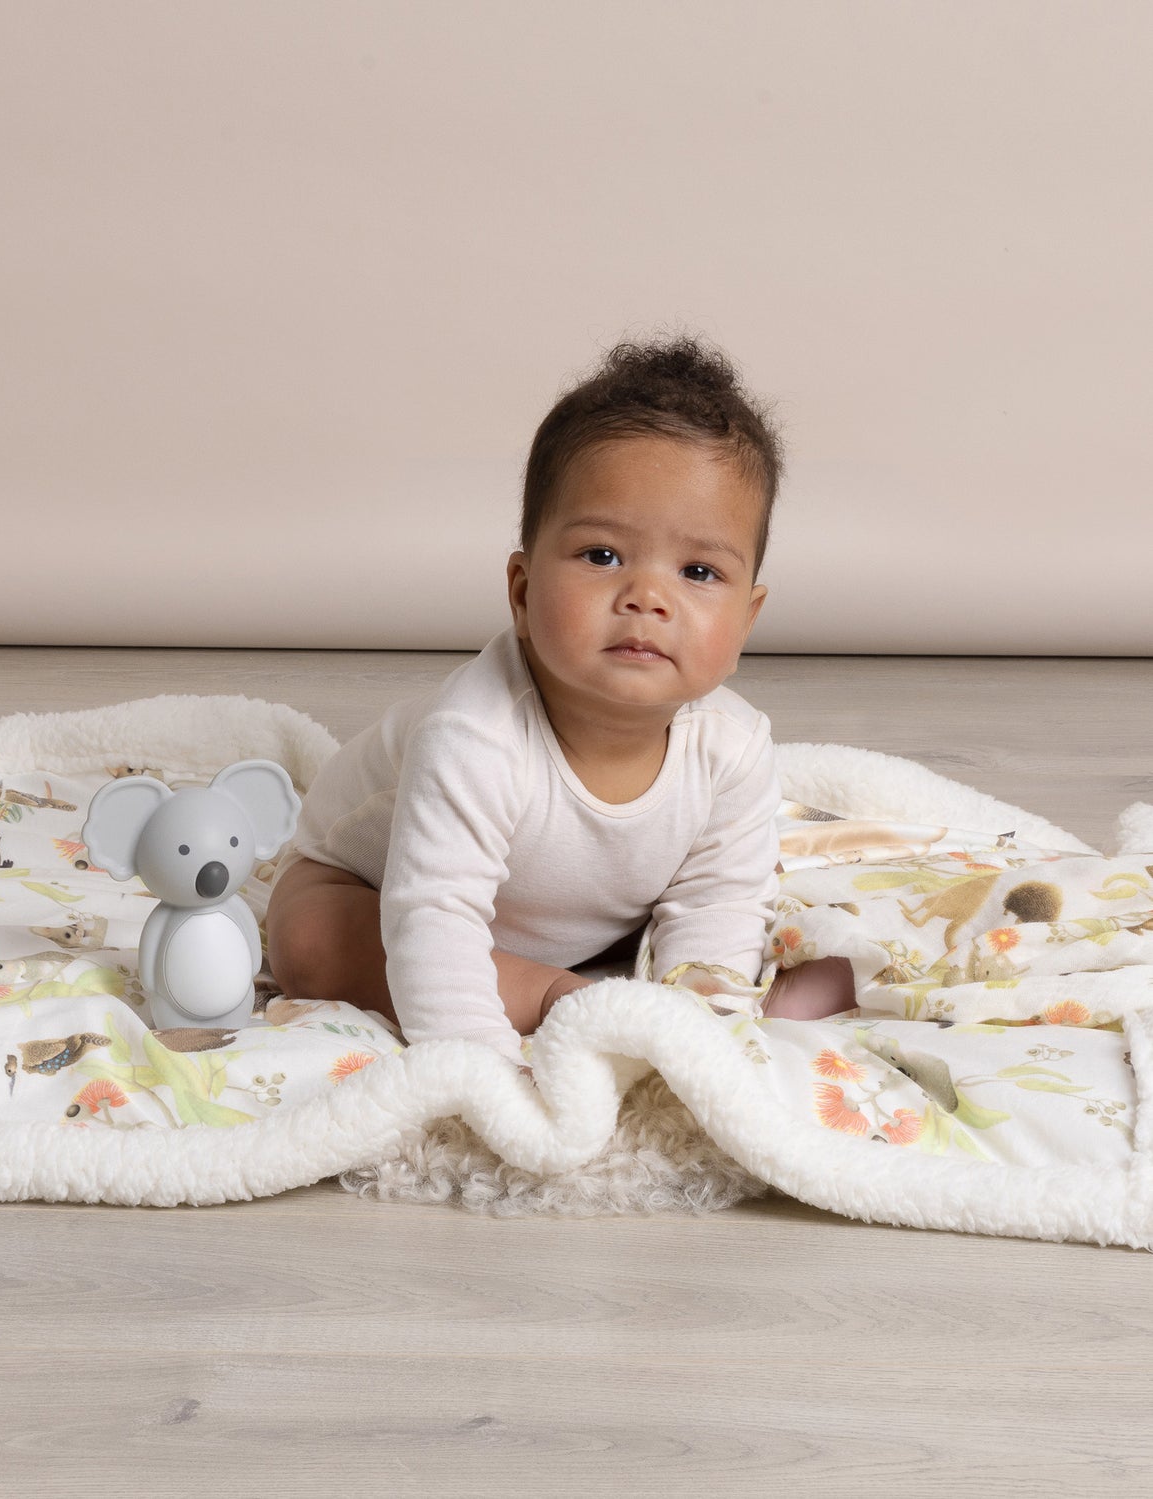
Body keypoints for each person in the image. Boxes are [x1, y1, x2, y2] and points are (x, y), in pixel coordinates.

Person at [265, 335, 855, 1069]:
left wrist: (704, 1034)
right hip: (376, 888)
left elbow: (718, 906)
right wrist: (480, 1069)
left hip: (580, 918)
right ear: (521, 591)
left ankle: (600, 993)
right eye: (602, 555)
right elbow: (434, 918)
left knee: (747, 931)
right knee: (309, 943)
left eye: (699, 570)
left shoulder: (731, 749)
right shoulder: (475, 736)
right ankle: (558, 996)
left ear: (747, 621)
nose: (648, 596)